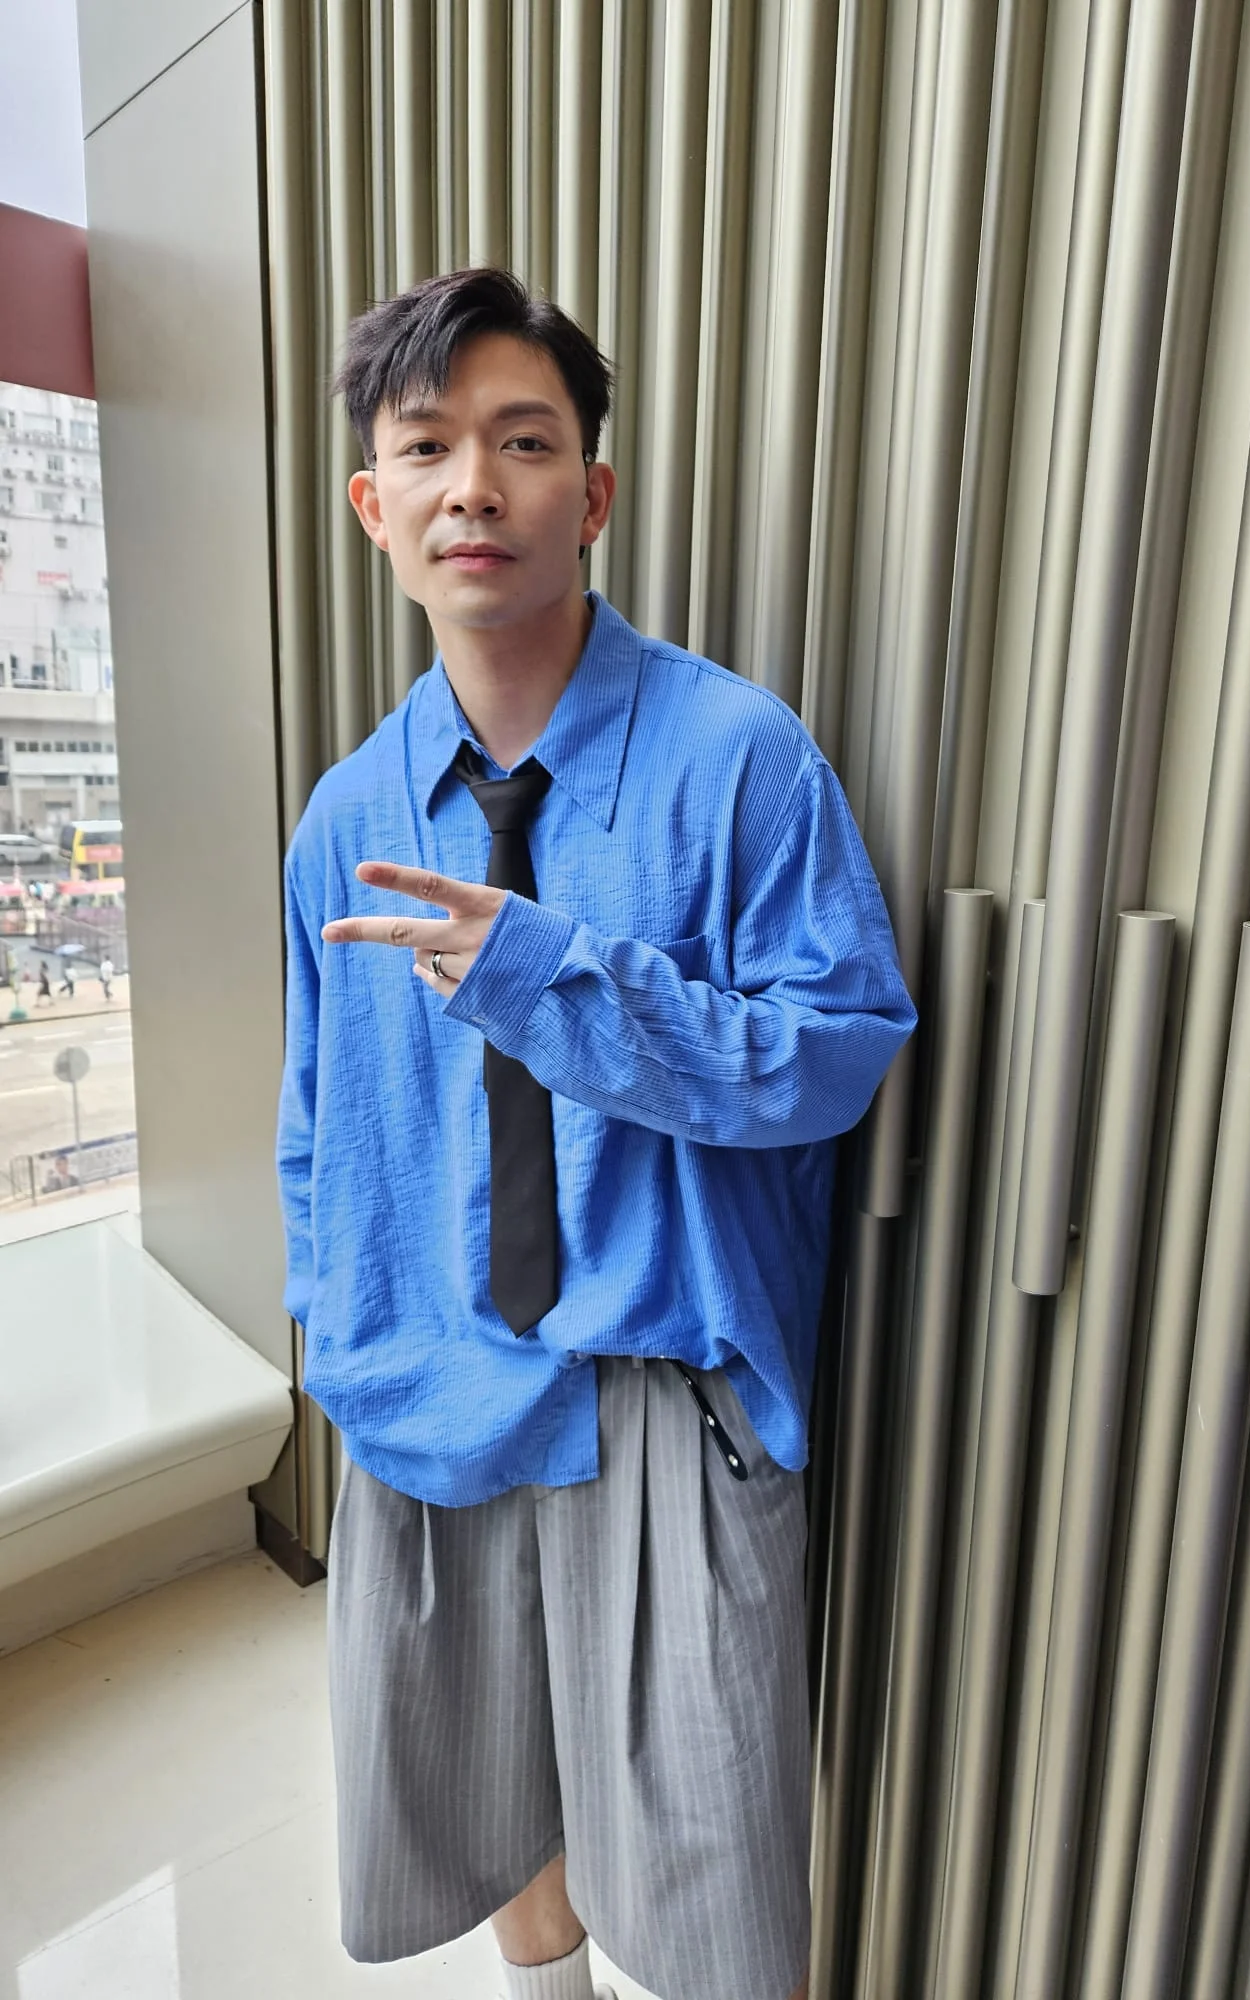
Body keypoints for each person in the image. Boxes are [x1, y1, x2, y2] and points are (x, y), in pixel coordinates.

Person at [276, 268, 915, 2000]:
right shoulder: (348, 815)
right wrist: (339, 1327)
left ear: (594, 492)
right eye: (427, 448)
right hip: (428, 1372)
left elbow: (835, 1057)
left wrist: (552, 978)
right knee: (480, 1791)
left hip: (660, 1386)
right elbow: (318, 1118)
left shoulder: (741, 759)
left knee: (717, 1868)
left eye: (524, 441)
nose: (473, 486)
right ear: (375, 506)